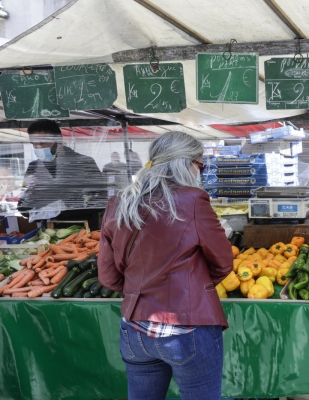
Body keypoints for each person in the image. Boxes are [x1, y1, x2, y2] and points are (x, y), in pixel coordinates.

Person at [98, 131, 233, 400]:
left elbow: (109, 277)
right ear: (186, 163)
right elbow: (223, 263)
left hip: (135, 327)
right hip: (187, 327)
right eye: (200, 164)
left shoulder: (118, 202)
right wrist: (193, 287)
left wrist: (141, 287)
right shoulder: (193, 199)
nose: (201, 171)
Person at [18, 119, 107, 229]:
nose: (38, 148)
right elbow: (22, 205)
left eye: (42, 142)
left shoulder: (84, 163)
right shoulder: (34, 168)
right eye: (34, 144)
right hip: (48, 234)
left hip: (83, 234)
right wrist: (41, 212)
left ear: (58, 139)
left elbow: (101, 200)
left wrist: (62, 209)